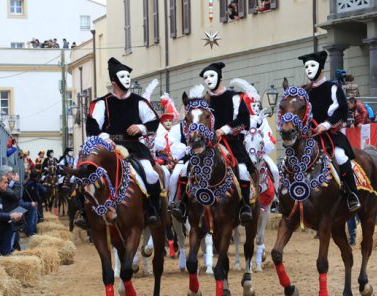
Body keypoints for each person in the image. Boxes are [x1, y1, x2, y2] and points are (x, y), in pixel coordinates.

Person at [169, 62, 254, 224]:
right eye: (205, 78)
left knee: (242, 170)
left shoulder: (234, 97)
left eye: (211, 76)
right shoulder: (201, 102)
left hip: (230, 143)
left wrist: (225, 130)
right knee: (185, 169)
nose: (208, 80)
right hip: (204, 145)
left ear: (219, 77)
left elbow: (244, 120)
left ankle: (244, 207)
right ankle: (182, 205)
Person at [86, 57, 162, 225]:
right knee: (85, 172)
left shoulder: (139, 101)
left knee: (150, 173)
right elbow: (91, 125)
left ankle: (152, 209)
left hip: (134, 147)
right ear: (114, 81)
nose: (127, 79)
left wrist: (141, 127)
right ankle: (82, 212)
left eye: (129, 76)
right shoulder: (101, 103)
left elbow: (154, 121)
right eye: (123, 76)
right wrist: (105, 137)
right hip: (108, 147)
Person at [298, 51, 361, 211]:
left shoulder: (333, 87)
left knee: (340, 157)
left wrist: (325, 125)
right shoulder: (304, 91)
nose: (309, 69)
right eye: (306, 66)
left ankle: (352, 194)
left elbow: (342, 110)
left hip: (329, 136)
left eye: (312, 65)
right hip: (309, 137)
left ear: (321, 67)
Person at [23, 171, 41, 237]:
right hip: (32, 203)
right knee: (32, 218)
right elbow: (35, 194)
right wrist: (38, 201)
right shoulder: (33, 183)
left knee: (29, 218)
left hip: (25, 202)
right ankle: (30, 233)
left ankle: (29, 231)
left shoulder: (26, 182)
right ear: (36, 177)